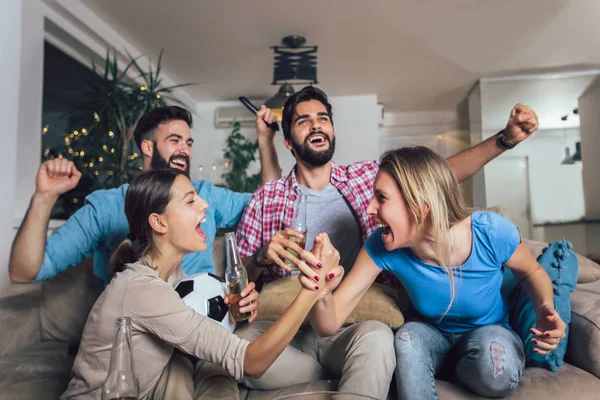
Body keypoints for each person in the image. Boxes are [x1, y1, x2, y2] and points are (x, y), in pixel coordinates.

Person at [227, 86, 539, 396]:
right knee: (233, 349)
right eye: (303, 121)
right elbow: (238, 279)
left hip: (353, 324)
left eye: (323, 118)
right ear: (287, 141)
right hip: (285, 328)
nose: (316, 125)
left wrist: (504, 140)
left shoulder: (368, 179)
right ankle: (331, 372)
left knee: (378, 340)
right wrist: (262, 256)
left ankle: (340, 367)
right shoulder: (266, 198)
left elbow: (439, 174)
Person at [302, 146, 566, 399]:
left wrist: (544, 307)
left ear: (420, 206)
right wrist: (320, 287)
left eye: (381, 198)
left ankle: (461, 367)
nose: (370, 209)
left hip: (489, 331)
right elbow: (328, 323)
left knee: (496, 370)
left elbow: (531, 272)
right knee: (407, 340)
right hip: (430, 336)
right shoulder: (381, 246)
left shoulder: (491, 232)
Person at [60, 169, 338, 399]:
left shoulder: (173, 276)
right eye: (191, 200)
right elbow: (251, 362)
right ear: (158, 222)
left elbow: (196, 333)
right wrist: (313, 287)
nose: (205, 204)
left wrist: (232, 313)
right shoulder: (142, 289)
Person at [9, 105, 281, 286]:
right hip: (139, 332)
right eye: (174, 140)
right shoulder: (106, 207)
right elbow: (24, 272)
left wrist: (265, 140)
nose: (184, 150)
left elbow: (268, 204)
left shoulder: (204, 196)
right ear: (147, 147)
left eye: (188, 142)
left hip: (204, 325)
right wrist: (44, 197)